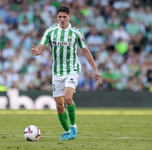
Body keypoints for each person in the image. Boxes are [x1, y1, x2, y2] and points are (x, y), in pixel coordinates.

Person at [31, 6, 102, 141]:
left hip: (72, 69)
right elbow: (41, 47)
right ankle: (66, 131)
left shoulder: (76, 33)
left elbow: (86, 51)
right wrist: (37, 52)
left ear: (69, 17)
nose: (62, 19)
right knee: (59, 104)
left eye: (64, 16)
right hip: (57, 72)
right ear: (57, 17)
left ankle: (74, 126)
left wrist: (96, 70)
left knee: (68, 98)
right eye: (60, 17)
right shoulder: (50, 31)